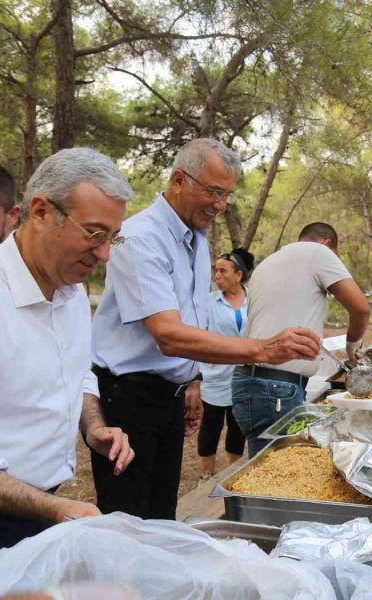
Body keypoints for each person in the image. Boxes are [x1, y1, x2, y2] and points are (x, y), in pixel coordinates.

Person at [91, 138, 320, 520]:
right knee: (127, 523)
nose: (220, 205)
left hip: (168, 397)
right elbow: (168, 334)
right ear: (179, 180)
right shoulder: (140, 237)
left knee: (163, 514)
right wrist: (262, 350)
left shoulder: (195, 238)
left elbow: (189, 318)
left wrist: (192, 381)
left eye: (227, 195)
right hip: (128, 401)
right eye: (214, 192)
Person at [0, 148, 136, 587]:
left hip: (37, 512)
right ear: (42, 211)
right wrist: (55, 510)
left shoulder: (68, 290)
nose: (104, 253)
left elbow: (77, 371)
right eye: (94, 233)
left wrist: (93, 426)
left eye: (114, 237)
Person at [236, 222, 371, 456]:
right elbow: (361, 309)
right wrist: (353, 347)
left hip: (254, 383)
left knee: (263, 469)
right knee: (275, 476)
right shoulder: (318, 252)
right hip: (275, 388)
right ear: (327, 243)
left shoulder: (269, 262)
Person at [197, 247, 255, 483]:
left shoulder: (254, 300)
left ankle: (233, 474)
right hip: (213, 377)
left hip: (243, 377)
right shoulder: (208, 302)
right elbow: (200, 336)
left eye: (222, 271)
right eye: (215, 270)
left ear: (238, 275)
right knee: (210, 428)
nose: (216, 275)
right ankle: (206, 474)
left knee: (237, 428)